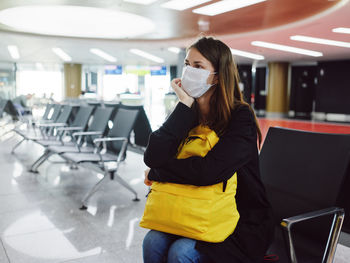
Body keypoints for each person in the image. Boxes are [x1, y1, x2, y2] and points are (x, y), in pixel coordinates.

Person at [142, 36, 274, 263]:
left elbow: (208, 172)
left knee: (181, 252)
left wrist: (157, 173)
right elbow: (152, 156)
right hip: (191, 210)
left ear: (218, 76)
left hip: (239, 218)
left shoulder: (240, 117)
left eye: (198, 66)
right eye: (186, 64)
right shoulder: (187, 113)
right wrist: (183, 105)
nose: (188, 71)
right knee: (152, 241)